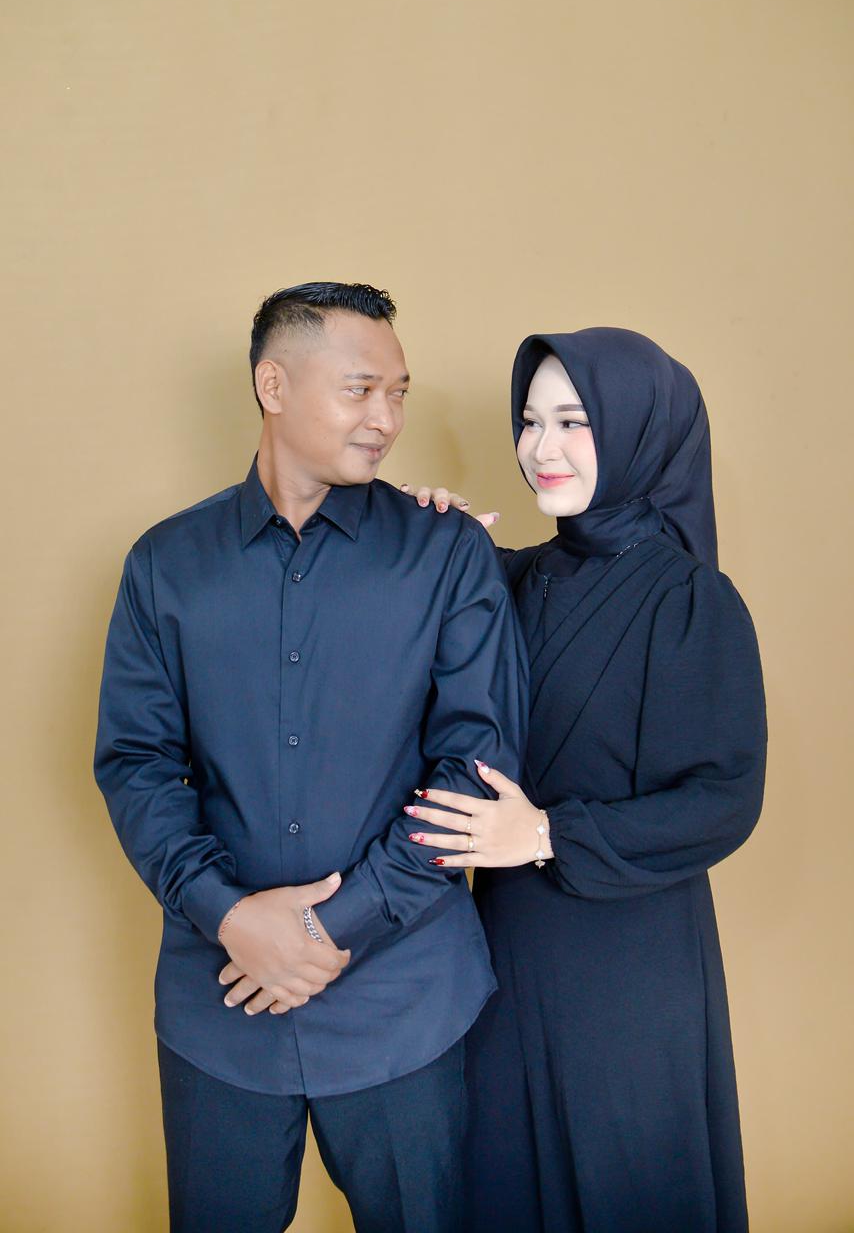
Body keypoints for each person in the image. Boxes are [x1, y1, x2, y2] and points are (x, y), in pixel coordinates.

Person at [94, 282, 527, 1233]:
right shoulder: (165, 565)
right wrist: (228, 912)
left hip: (404, 1003)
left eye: (399, 393)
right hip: (221, 1006)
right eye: (361, 390)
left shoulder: (447, 553)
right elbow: (136, 764)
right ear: (274, 385)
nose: (388, 420)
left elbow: (475, 770)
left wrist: (333, 928)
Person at [401, 328, 767, 1232]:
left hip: (629, 964)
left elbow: (723, 797)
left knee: (625, 1181)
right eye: (530, 421)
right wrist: (428, 541)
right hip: (503, 953)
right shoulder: (513, 578)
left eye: (575, 420)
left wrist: (544, 833)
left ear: (641, 430)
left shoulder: (690, 598)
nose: (541, 447)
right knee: (505, 1179)